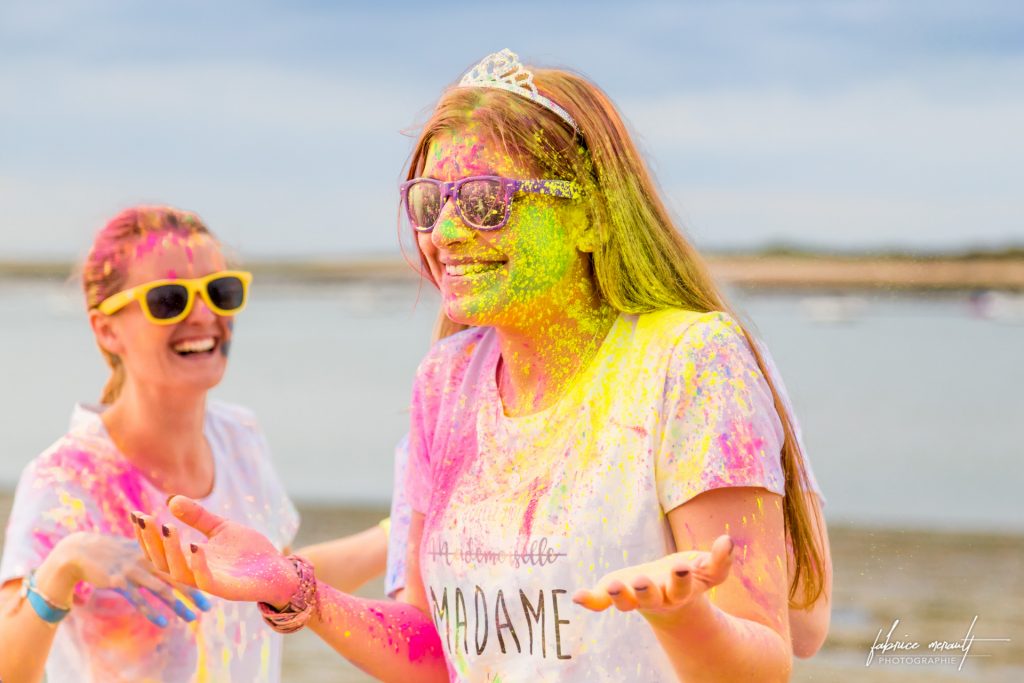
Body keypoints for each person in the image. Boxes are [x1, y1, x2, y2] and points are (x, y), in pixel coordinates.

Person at [139, 49, 832, 682]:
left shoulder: (689, 361)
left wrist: (686, 618)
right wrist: (297, 589)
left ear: (591, 214)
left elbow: (765, 662)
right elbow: (436, 649)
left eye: (484, 202)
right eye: (429, 203)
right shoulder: (446, 381)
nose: (442, 232)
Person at [0, 206, 300, 682]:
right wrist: (65, 564)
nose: (205, 316)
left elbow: (281, 581)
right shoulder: (66, 478)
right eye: (169, 299)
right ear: (106, 329)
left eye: (221, 293)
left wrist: (404, 526)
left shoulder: (241, 437)